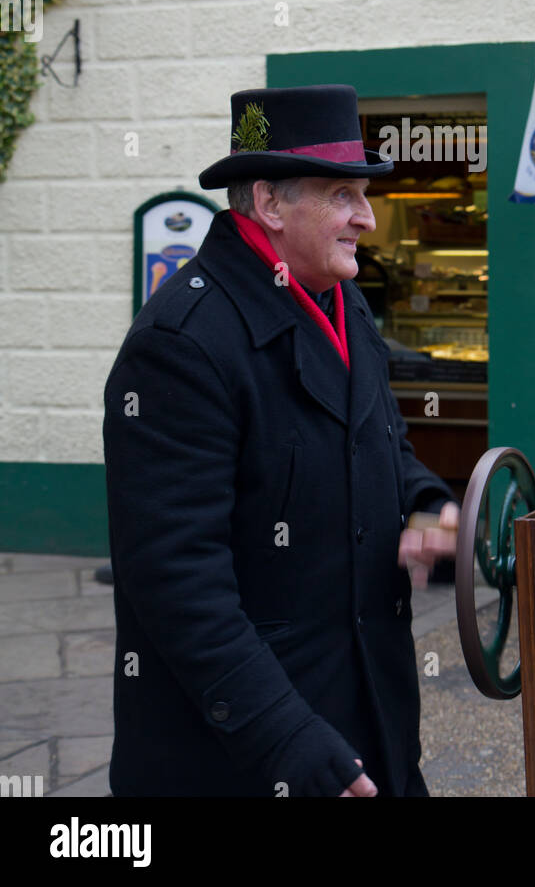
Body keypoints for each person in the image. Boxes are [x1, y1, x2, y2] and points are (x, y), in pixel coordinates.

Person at [103, 84, 459, 798]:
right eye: (342, 195)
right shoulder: (181, 345)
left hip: (369, 728)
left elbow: (384, 449)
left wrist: (428, 511)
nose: (366, 218)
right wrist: (286, 740)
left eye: (363, 194)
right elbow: (175, 579)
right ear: (268, 204)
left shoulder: (342, 300)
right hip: (246, 759)